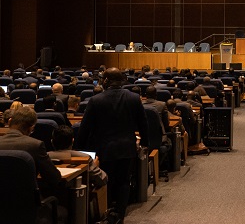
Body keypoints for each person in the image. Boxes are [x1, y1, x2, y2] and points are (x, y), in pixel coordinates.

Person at [77, 67, 148, 221]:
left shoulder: (96, 100)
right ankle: (120, 215)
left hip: (104, 148)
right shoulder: (134, 98)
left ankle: (106, 211)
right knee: (123, 181)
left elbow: (85, 128)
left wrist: (79, 150)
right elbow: (143, 124)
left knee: (106, 180)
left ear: (106, 81)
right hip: (126, 147)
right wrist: (146, 143)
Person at [0, 107, 62, 196]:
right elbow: (54, 179)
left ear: (9, 122)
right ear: (31, 128)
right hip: (26, 205)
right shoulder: (35, 145)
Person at [49, 125, 108, 189]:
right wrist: (95, 166)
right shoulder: (85, 158)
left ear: (52, 142)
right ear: (72, 141)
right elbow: (103, 179)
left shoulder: (44, 157)